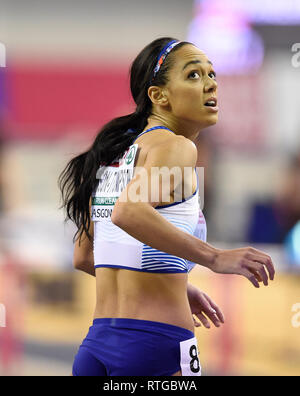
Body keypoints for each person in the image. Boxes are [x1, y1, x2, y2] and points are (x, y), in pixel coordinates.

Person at [59, 37, 275, 376]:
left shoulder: (113, 155)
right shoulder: (176, 147)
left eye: (212, 74)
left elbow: (85, 256)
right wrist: (214, 257)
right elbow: (129, 211)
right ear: (158, 96)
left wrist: (174, 283)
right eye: (193, 75)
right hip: (156, 348)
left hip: (96, 348)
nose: (210, 84)